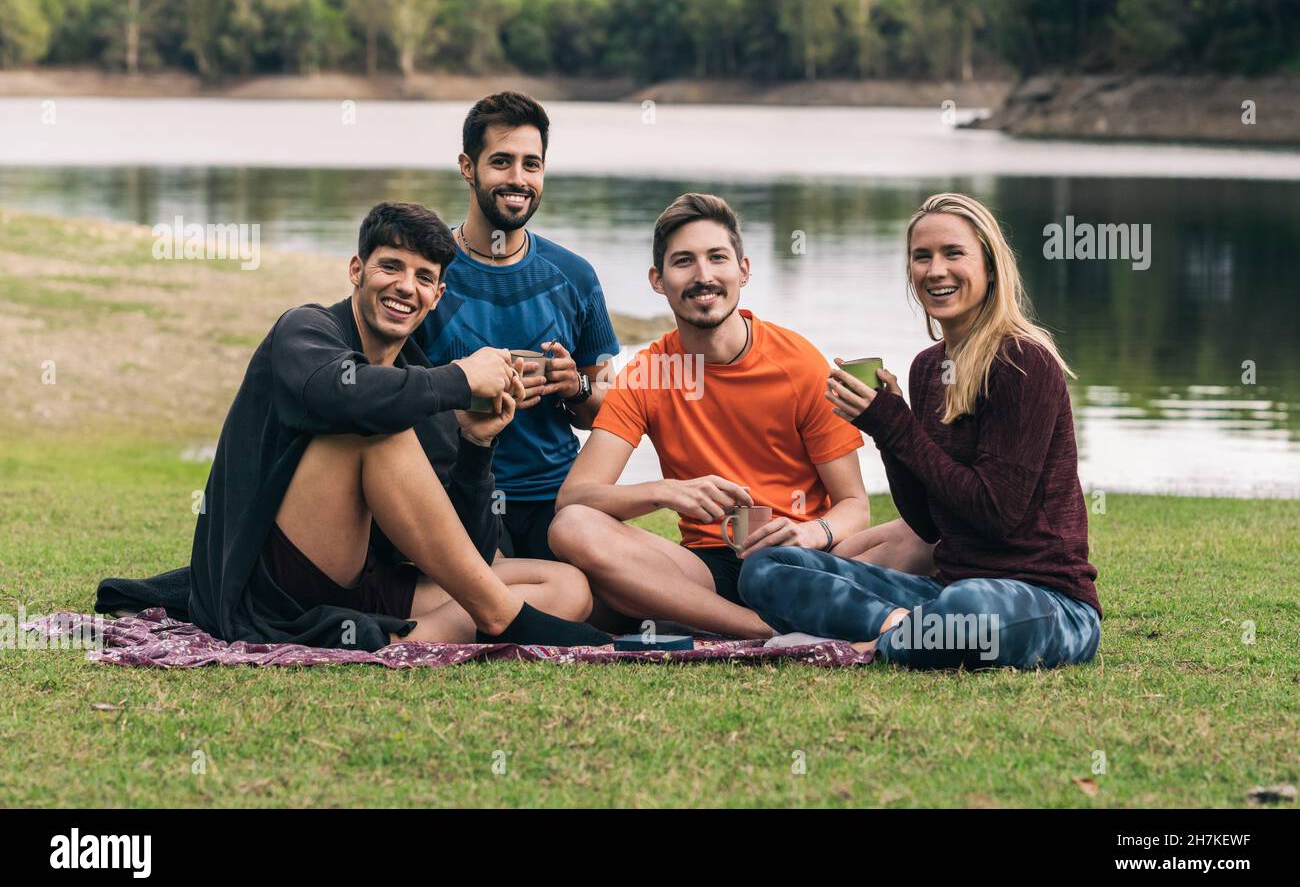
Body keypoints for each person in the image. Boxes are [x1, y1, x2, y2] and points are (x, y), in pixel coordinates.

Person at [99, 201, 609, 650]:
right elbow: (342, 395)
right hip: (273, 582)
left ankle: (396, 638)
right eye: (391, 267)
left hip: (365, 585)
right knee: (372, 428)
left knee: (566, 587)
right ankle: (499, 619)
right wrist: (458, 377)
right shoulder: (305, 330)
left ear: (437, 295)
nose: (405, 287)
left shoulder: (417, 382)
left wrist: (476, 446)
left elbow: (468, 559)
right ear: (356, 270)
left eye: (424, 278)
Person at [738, 193, 1102, 669]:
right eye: (921, 256)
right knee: (766, 569)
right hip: (945, 588)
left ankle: (885, 636)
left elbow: (997, 514)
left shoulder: (1022, 362)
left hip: (1046, 604)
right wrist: (886, 431)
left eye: (953, 253)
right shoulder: (929, 369)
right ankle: (903, 629)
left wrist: (895, 424)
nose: (936, 270)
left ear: (990, 267)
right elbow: (929, 524)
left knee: (969, 609)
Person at [548, 193, 871, 638]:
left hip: (806, 559)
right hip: (706, 569)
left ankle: (763, 616)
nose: (703, 277)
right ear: (658, 280)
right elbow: (575, 499)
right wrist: (667, 492)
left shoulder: (800, 364)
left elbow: (856, 504)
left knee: (921, 536)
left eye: (717, 258)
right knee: (573, 528)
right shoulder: (650, 372)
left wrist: (812, 534)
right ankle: (762, 633)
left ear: (743, 269)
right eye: (683, 262)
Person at [416, 91, 621, 561]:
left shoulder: (574, 275)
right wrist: (464, 391)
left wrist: (575, 388)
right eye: (502, 162)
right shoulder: (427, 273)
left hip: (557, 496)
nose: (518, 179)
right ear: (468, 167)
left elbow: (606, 413)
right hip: (454, 493)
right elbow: (390, 399)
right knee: (516, 601)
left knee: (605, 608)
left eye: (532, 164)